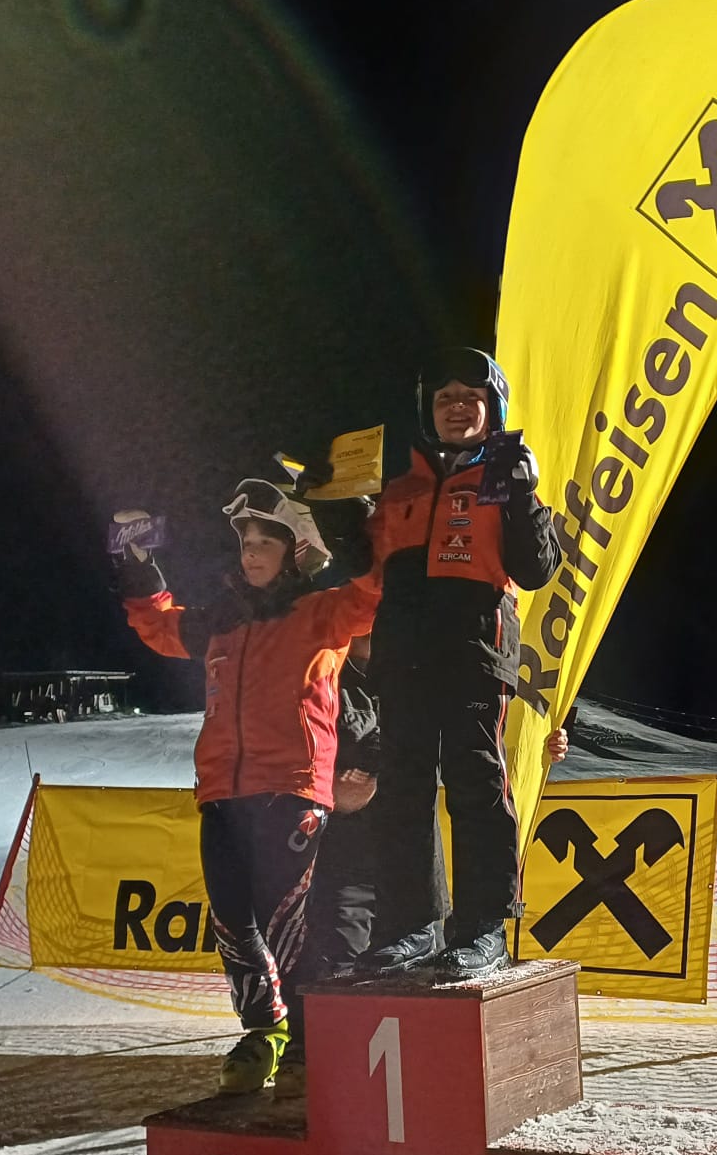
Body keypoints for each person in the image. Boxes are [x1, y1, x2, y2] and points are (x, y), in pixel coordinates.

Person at [117, 481, 380, 1094]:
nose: (252, 553)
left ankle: (308, 1043)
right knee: (234, 922)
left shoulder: (324, 611)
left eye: (266, 542)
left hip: (292, 788)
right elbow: (158, 625)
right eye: (246, 543)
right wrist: (137, 561)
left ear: (297, 551)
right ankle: (265, 1031)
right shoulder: (223, 621)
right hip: (221, 792)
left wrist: (356, 519)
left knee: (286, 921)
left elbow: (375, 589)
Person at [313, 348, 561, 977]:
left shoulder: (507, 476)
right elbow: (366, 570)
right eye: (445, 398)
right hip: (405, 655)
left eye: (471, 399)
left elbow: (535, 568)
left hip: (475, 650)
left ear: (493, 409)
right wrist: (329, 502)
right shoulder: (400, 486)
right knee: (403, 791)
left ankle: (483, 930)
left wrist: (525, 495)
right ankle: (411, 927)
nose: (456, 408)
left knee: (477, 785)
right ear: (428, 410)